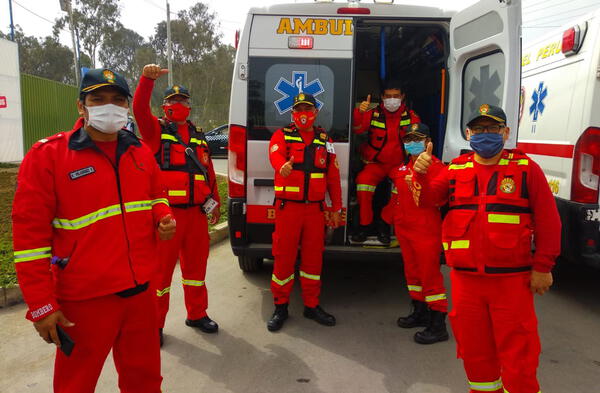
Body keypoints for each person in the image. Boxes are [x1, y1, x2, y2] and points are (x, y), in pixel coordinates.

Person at [12, 68, 176, 393]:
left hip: (140, 292)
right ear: (81, 106)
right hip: (85, 300)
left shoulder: (139, 152)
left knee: (145, 379)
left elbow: (157, 194)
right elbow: (29, 240)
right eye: (98, 99)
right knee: (75, 383)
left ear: (127, 107)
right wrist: (42, 306)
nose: (109, 106)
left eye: (117, 100)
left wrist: (163, 215)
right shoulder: (49, 157)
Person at [412, 104, 561, 393]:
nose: (485, 134)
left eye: (493, 128)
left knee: (519, 359)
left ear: (506, 133)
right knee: (476, 356)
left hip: (511, 282)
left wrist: (543, 267)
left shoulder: (526, 170)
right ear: (468, 134)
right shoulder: (455, 170)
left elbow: (549, 221)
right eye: (479, 129)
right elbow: (429, 199)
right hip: (466, 283)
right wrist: (421, 173)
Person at [133, 64, 221, 345]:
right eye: (172, 101)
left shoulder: (199, 136)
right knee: (160, 276)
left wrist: (215, 203)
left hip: (196, 215)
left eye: (182, 101)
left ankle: (197, 314)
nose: (177, 105)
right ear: (164, 106)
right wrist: (147, 81)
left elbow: (207, 174)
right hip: (167, 216)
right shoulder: (155, 132)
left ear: (189, 107)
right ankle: (154, 324)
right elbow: (138, 110)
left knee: (196, 271)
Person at [267, 93, 343, 332]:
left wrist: (336, 208)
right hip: (288, 209)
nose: (303, 113)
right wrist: (282, 167)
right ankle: (280, 307)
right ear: (292, 113)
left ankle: (311, 305)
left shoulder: (324, 140)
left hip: (315, 211)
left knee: (313, 260)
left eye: (307, 109)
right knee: (284, 258)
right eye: (298, 109)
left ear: (315, 112)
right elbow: (274, 154)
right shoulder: (282, 135)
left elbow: (332, 177)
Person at [381, 123, 448, 344]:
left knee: (430, 276)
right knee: (412, 274)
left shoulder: (439, 168)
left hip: (426, 230)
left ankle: (438, 324)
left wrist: (421, 177)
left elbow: (436, 198)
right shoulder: (400, 170)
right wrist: (388, 219)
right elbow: (395, 197)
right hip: (404, 229)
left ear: (429, 142)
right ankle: (420, 312)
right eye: (408, 139)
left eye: (417, 138)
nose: (412, 143)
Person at [352, 79, 421, 244]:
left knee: (404, 189)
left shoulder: (411, 117)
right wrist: (358, 112)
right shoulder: (372, 113)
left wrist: (412, 167)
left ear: (402, 96)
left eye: (396, 96)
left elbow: (417, 147)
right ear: (382, 97)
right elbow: (357, 129)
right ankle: (365, 226)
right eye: (388, 96)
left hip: (399, 165)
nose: (392, 99)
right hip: (376, 164)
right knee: (363, 184)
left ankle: (384, 224)